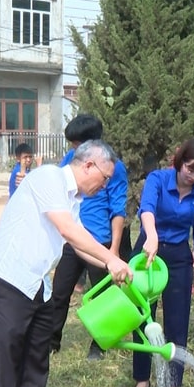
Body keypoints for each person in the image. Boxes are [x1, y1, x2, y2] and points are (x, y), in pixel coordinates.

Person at [0, 139, 131, 387]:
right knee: (10, 356)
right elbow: (67, 231)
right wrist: (111, 259)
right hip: (8, 279)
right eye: (105, 178)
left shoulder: (72, 199)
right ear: (88, 164)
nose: (104, 186)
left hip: (37, 284)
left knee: (37, 352)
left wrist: (113, 266)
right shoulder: (48, 177)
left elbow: (78, 244)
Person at [129, 138, 194, 387]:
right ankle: (142, 380)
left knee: (178, 321)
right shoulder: (158, 179)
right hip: (147, 253)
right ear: (179, 162)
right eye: (190, 169)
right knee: (143, 318)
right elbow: (147, 210)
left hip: (177, 256)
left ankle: (173, 386)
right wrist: (150, 236)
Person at [49, 114, 128, 360]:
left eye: (76, 145)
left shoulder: (114, 168)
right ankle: (51, 341)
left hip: (100, 243)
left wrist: (113, 250)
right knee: (60, 290)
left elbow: (118, 210)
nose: (73, 150)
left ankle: (100, 344)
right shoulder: (70, 161)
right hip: (73, 239)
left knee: (103, 295)